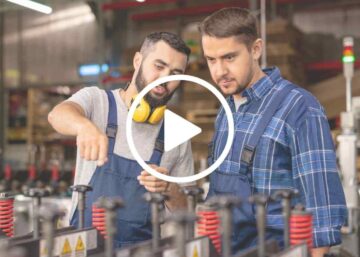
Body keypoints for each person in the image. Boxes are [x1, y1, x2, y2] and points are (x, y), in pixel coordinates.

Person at [200, 8, 347, 257]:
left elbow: (323, 210)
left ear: (256, 49)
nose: (219, 71)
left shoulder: (299, 108)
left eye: (229, 57)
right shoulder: (225, 112)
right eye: (211, 60)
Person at [48, 32, 194, 247]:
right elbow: (57, 115)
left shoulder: (177, 132)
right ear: (138, 61)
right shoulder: (98, 102)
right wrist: (83, 126)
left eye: (175, 73)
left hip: (142, 251)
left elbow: (188, 211)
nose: (165, 79)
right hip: (83, 247)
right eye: (159, 66)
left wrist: (169, 189)